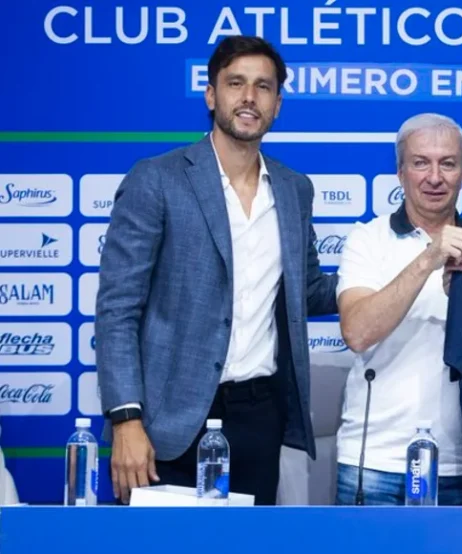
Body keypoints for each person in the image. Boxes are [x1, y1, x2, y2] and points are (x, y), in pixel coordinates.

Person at [95, 35, 339, 505]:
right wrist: (126, 418)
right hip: (166, 423)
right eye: (235, 83)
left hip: (259, 418)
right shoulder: (157, 179)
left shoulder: (294, 189)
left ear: (277, 104)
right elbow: (117, 310)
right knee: (160, 542)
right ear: (211, 95)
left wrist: (402, 268)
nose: (249, 97)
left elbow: (308, 291)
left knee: (248, 541)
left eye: (263, 87)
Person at [334, 113, 462, 505]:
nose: (434, 177)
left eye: (448, 164)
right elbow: (357, 333)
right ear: (400, 172)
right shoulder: (367, 240)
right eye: (421, 163)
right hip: (374, 462)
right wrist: (428, 259)